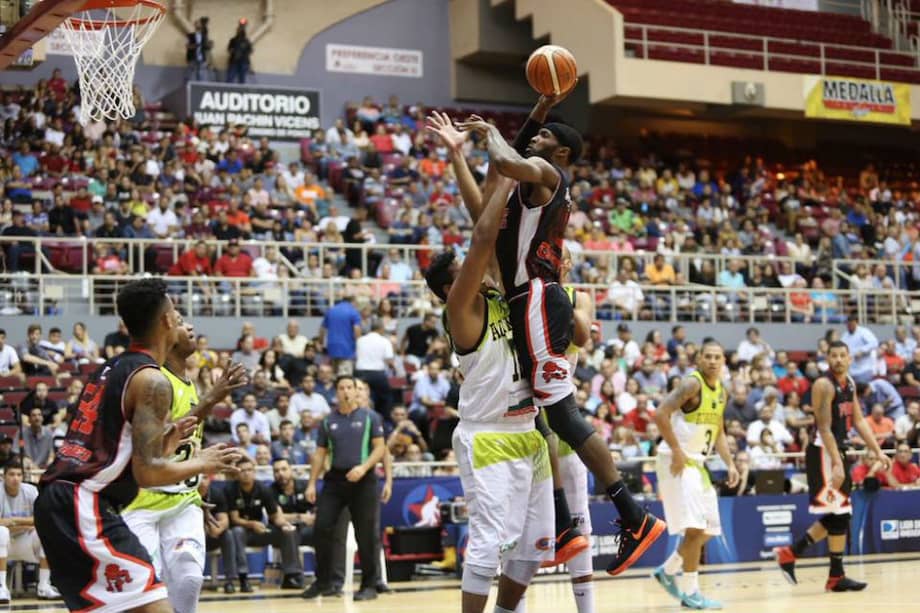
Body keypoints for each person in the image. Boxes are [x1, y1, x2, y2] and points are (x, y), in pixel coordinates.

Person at [458, 95, 663, 577]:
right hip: (523, 303)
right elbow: (484, 201)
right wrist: (540, 106)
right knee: (543, 415)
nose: (536, 139)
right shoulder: (519, 195)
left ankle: (634, 517)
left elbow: (510, 156)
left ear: (563, 154)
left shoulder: (551, 178)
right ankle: (567, 523)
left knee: (563, 414)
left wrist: (490, 130)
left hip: (536, 298)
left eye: (546, 138)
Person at [34, 278, 240, 613]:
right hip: (83, 505)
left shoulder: (107, 368)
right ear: (166, 321)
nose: (179, 318)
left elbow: (112, 446)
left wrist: (167, 439)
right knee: (154, 607)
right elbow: (148, 473)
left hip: (61, 500)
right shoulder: (152, 380)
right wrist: (204, 463)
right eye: (175, 312)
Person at [423, 157, 553, 613]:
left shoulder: (497, 290)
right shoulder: (460, 309)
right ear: (447, 287)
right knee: (487, 545)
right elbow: (483, 234)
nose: (475, 264)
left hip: (527, 431)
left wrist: (460, 158)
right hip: (488, 436)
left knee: (535, 546)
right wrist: (508, 175)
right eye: (462, 267)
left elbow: (483, 224)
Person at [122, 319, 247, 613]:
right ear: (165, 335)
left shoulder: (187, 383)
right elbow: (160, 440)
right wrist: (212, 398)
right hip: (141, 500)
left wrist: (192, 487)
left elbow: (187, 443)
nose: (190, 327)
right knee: (147, 586)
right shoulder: (154, 380)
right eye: (180, 323)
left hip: (182, 498)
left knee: (189, 576)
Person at [774, 341, 890, 592]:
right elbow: (824, 427)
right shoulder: (823, 385)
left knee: (841, 514)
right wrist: (837, 463)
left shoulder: (848, 383)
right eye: (833, 356)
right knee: (840, 514)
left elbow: (858, 419)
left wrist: (877, 450)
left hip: (837, 450)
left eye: (842, 356)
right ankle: (805, 559)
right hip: (823, 452)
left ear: (850, 359)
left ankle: (808, 561)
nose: (838, 360)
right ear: (827, 359)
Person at [651, 340, 739, 609]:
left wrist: (730, 463)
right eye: (708, 356)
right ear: (699, 359)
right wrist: (677, 450)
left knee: (710, 530)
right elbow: (660, 414)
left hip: (697, 464)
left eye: (717, 357)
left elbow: (719, 432)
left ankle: (668, 570)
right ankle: (690, 592)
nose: (713, 361)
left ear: (724, 361)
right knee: (695, 528)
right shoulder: (692, 384)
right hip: (677, 461)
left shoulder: (722, 391)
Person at [302, 376, 385, 602]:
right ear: (336, 392)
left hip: (364, 480)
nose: (346, 391)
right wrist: (311, 482)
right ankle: (323, 581)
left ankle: (369, 585)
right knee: (322, 527)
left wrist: (364, 467)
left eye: (350, 387)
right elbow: (320, 454)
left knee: (365, 535)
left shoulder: (370, 417)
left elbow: (380, 448)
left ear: (356, 391)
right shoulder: (328, 421)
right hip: (335, 481)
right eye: (341, 388)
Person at [228, 457, 302, 590]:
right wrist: (252, 524)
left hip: (260, 531)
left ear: (254, 472)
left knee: (286, 532)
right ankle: (243, 579)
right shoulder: (231, 489)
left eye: (249, 470)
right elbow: (234, 519)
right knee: (236, 532)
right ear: (237, 473)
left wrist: (285, 524)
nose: (246, 473)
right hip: (242, 531)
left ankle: (292, 576)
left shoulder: (263, 489)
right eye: (242, 470)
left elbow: (274, 516)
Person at [0, 462, 60, 602]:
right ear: (4, 477)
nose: (15, 478)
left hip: (24, 542)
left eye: (19, 474)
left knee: (47, 531)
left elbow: (42, 518)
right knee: (1, 532)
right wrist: (25, 523)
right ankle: (1, 587)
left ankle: (44, 586)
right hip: (4, 543)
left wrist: (13, 520)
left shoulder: (31, 491)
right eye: (11, 474)